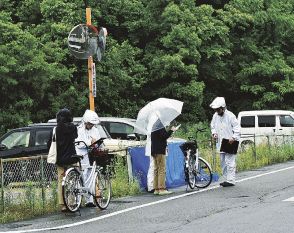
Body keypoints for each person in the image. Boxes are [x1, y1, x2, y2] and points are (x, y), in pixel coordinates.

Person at [48, 108, 79, 212]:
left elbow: (49, 143)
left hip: (60, 159)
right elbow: (75, 137)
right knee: (72, 180)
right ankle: (71, 202)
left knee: (61, 181)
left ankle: (62, 205)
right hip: (71, 158)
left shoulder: (56, 129)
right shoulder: (73, 127)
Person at [210, 97, 240, 187]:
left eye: (218, 109)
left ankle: (231, 180)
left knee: (230, 161)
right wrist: (214, 133)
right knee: (223, 161)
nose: (217, 111)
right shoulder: (215, 116)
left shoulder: (230, 116)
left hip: (230, 141)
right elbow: (213, 126)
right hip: (221, 142)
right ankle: (226, 178)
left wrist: (234, 137)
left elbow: (237, 127)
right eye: (216, 110)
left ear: (223, 108)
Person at [75, 109, 101, 207]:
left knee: (91, 177)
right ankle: (78, 200)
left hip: (91, 155)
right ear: (85, 122)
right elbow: (79, 144)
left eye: (92, 124)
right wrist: (91, 142)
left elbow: (98, 141)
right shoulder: (79, 130)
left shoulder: (95, 130)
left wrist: (96, 144)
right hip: (82, 156)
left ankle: (89, 200)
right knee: (82, 177)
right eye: (90, 124)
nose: (91, 126)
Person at [151, 120, 178, 195]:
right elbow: (164, 136)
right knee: (162, 169)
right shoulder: (160, 126)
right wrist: (171, 130)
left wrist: (168, 130)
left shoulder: (154, 126)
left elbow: (161, 136)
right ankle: (162, 189)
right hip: (160, 150)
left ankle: (156, 189)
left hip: (154, 150)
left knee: (156, 169)